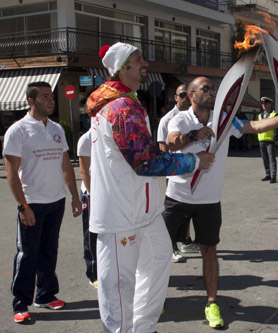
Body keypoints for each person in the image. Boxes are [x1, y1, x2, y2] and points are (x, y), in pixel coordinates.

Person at [86, 42, 214, 333]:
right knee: (119, 284)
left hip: (145, 211)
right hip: (121, 215)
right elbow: (145, 162)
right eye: (138, 59)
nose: (145, 63)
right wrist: (193, 161)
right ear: (123, 68)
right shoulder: (121, 108)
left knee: (158, 261)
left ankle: (142, 327)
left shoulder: (129, 102)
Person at [164, 76, 278, 329]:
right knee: (161, 250)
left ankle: (211, 303)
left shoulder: (224, 121)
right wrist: (193, 135)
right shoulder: (181, 119)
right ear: (190, 95)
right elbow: (172, 141)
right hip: (178, 197)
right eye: (205, 89)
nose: (211, 93)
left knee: (209, 250)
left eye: (213, 89)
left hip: (209, 200)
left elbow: (254, 126)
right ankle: (155, 297)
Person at [4, 81, 82, 324]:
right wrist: (23, 206)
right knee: (27, 254)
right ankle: (20, 304)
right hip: (32, 203)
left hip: (55, 201)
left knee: (49, 250)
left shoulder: (57, 129)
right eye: (45, 97)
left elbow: (66, 165)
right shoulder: (17, 131)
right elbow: (11, 173)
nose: (51, 101)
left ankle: (46, 295)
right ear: (31, 101)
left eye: (52, 96)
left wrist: (74, 197)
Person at [157, 84, 199, 263]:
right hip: (175, 174)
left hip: (193, 170)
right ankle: (171, 247)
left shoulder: (193, 117)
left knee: (188, 210)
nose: (184, 98)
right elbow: (163, 148)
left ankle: (186, 241)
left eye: (187, 95)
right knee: (173, 214)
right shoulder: (167, 120)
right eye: (181, 94)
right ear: (175, 97)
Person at [77, 129, 98, 287]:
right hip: (91, 195)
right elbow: (84, 171)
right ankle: (93, 273)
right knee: (91, 235)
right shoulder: (86, 139)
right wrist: (94, 194)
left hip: (108, 194)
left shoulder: (111, 134)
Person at [258, 97, 278, 183]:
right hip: (261, 139)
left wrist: (276, 138)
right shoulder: (260, 115)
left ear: (269, 104)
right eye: (262, 104)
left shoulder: (274, 114)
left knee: (272, 158)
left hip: (270, 140)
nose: (263, 105)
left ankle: (273, 177)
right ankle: (268, 174)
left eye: (265, 103)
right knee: (265, 159)